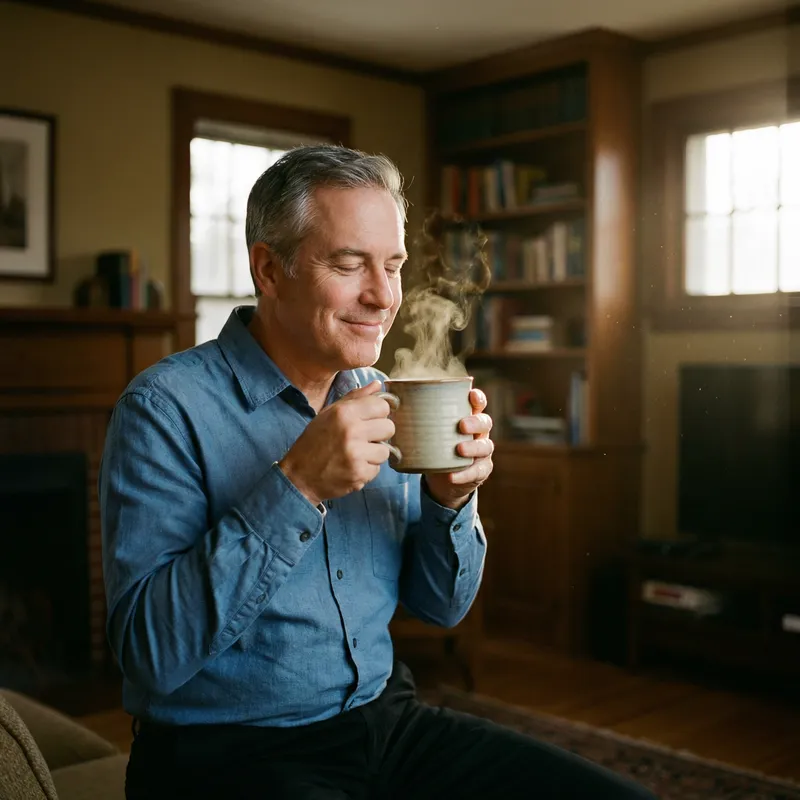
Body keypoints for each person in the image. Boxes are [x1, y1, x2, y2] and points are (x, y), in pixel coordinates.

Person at [100, 144, 656, 800]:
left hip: (385, 725)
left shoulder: (381, 395)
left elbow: (440, 608)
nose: (383, 296)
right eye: (349, 263)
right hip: (229, 753)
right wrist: (296, 485)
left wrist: (452, 501)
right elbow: (148, 656)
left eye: (392, 266)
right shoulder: (163, 407)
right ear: (269, 269)